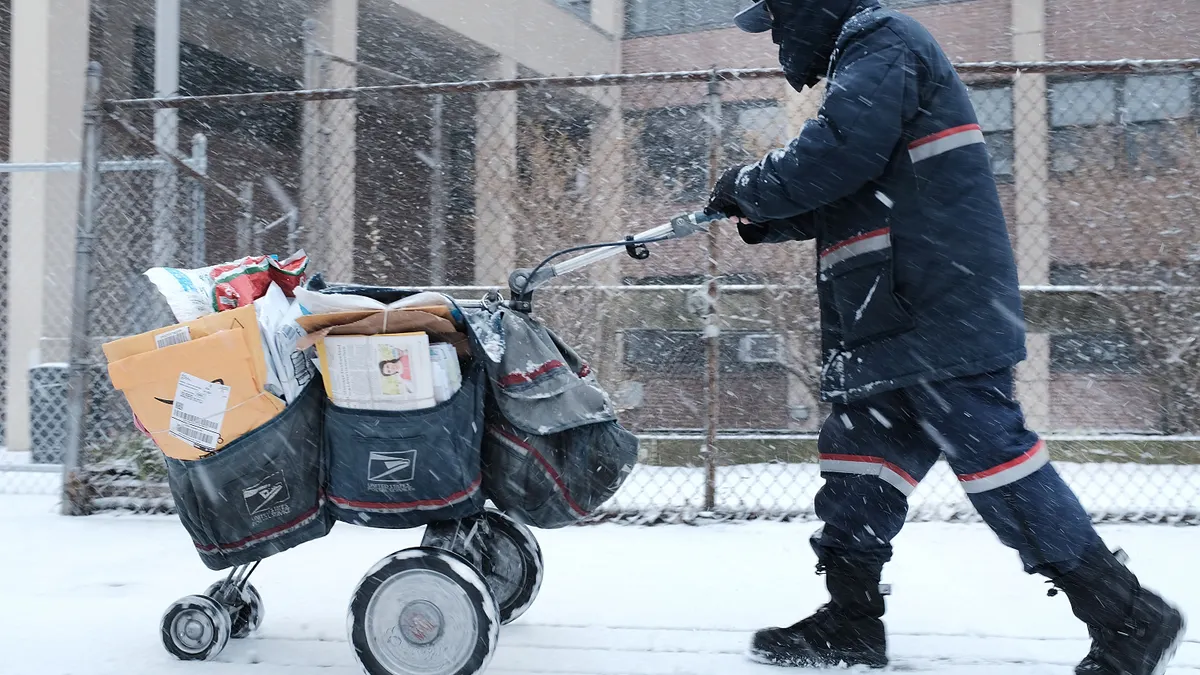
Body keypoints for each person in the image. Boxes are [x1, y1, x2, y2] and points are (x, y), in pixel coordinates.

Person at [702, 1, 1186, 673]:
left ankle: (1126, 614)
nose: (780, 37)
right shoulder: (863, 62)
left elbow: (840, 153)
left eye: (781, 19)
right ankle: (851, 620)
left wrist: (754, 185)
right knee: (856, 468)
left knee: (996, 464)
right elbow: (857, 187)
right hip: (889, 314)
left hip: (936, 307)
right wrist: (754, 211)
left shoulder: (883, 42)